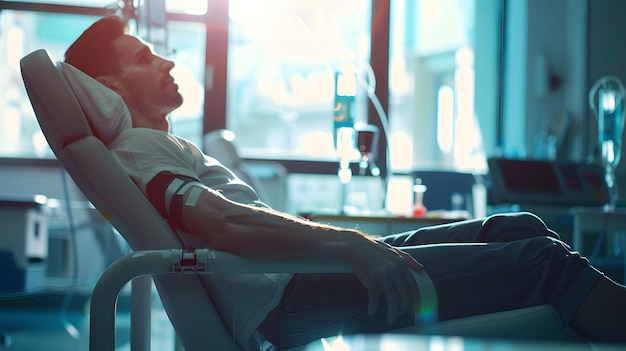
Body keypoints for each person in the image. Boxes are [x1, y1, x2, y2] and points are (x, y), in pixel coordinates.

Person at [63, 16, 625, 349]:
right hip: (296, 298)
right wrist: (353, 246)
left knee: (515, 226)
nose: (166, 60)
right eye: (143, 57)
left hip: (306, 277)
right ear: (110, 85)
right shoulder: (136, 149)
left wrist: (346, 246)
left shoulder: (163, 146)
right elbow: (220, 222)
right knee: (546, 264)